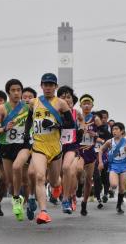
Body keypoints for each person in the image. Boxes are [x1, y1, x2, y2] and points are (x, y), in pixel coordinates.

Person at [25, 73, 75, 224]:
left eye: (51, 85)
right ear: (41, 86)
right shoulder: (34, 103)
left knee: (54, 181)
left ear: (55, 87)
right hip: (39, 145)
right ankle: (43, 212)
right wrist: (27, 136)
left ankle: (57, 188)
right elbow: (29, 121)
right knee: (39, 176)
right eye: (45, 85)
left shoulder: (61, 103)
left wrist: (55, 125)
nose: (48, 87)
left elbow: (71, 124)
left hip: (55, 147)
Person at [0, 79, 31, 222]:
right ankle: (16, 198)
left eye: (18, 90)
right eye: (13, 90)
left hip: (23, 145)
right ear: (8, 92)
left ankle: (23, 200)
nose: (16, 93)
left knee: (18, 167)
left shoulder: (28, 107)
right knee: (10, 180)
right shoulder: (2, 108)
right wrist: (4, 128)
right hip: (6, 145)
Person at [57, 86, 84, 214]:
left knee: (67, 169)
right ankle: (67, 192)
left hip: (71, 145)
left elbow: (82, 123)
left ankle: (66, 199)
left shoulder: (76, 113)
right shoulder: (54, 112)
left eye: (68, 97)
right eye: (63, 97)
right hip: (56, 146)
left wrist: (81, 129)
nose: (66, 99)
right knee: (61, 175)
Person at [76, 94, 102, 216]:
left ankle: (84, 203)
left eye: (88, 103)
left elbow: (104, 134)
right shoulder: (76, 118)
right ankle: (78, 185)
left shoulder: (95, 119)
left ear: (92, 105)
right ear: (80, 105)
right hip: (79, 150)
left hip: (91, 152)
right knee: (78, 170)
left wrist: (95, 135)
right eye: (84, 103)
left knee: (88, 180)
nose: (86, 105)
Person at [98, 122, 126, 214]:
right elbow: (100, 150)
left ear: (122, 131)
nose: (114, 131)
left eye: (116, 129)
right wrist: (100, 162)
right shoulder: (109, 141)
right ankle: (110, 191)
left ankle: (119, 206)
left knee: (122, 189)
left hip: (124, 165)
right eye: (113, 129)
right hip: (114, 166)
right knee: (114, 185)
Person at [21, 87, 37, 220]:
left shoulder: (39, 110)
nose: (27, 99)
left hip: (39, 147)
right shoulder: (16, 111)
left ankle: (33, 196)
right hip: (23, 146)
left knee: (34, 175)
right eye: (24, 97)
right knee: (25, 180)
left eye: (29, 97)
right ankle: (29, 202)